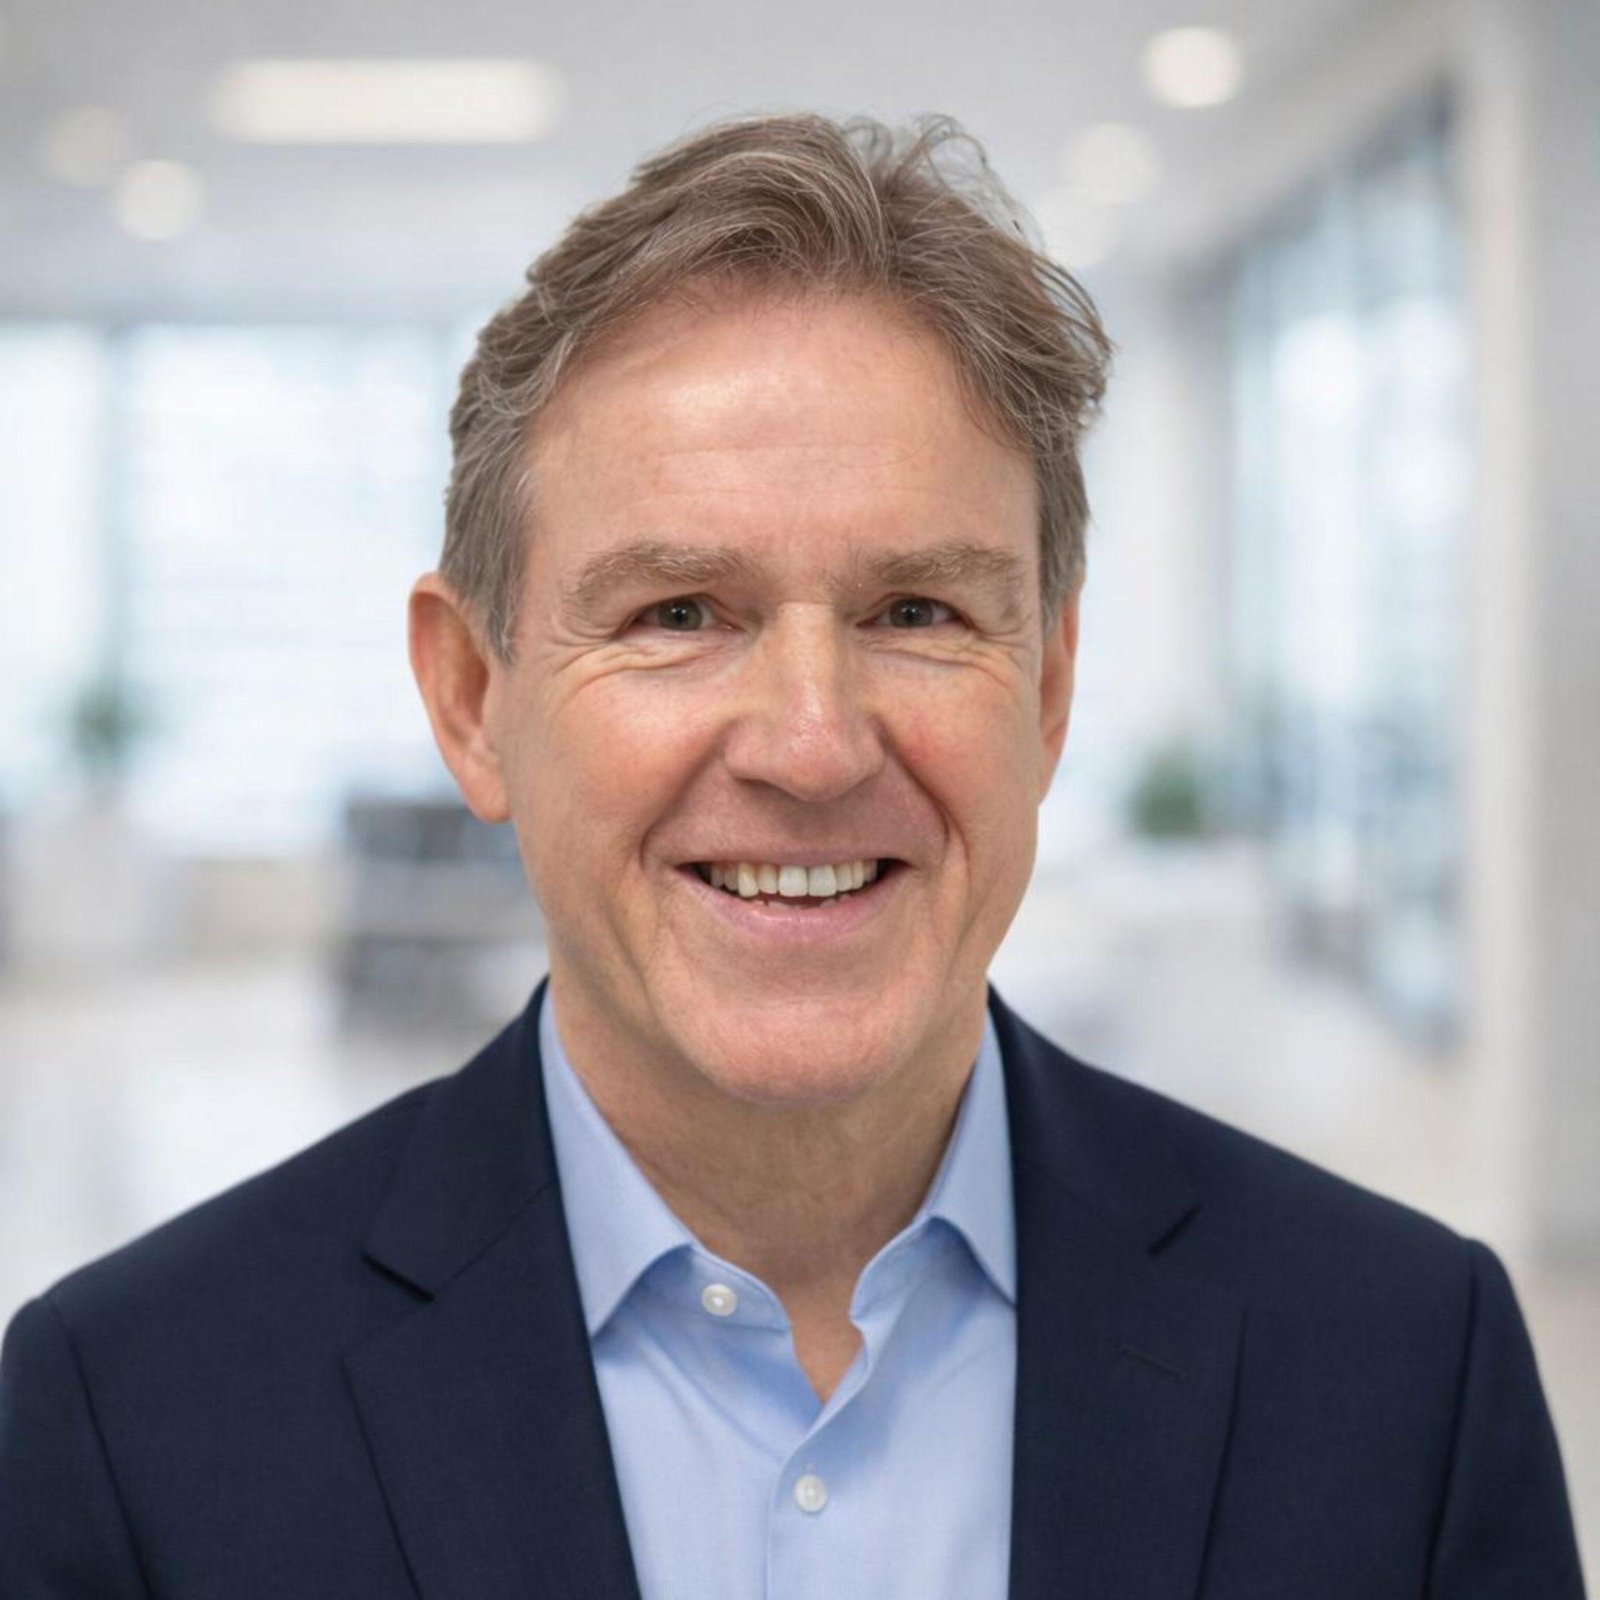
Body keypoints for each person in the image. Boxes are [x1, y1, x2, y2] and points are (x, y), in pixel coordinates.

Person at [0, 112, 1585, 1600]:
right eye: (677, 614)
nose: (814, 744)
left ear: (1045, 689)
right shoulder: (129, 1421)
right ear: (473, 698)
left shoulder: (1404, 1369)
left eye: (919, 613)